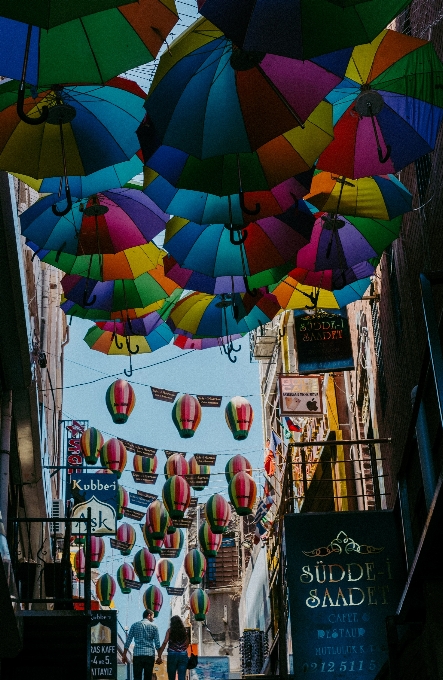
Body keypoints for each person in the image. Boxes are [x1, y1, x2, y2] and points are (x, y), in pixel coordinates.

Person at [122, 609, 161, 680]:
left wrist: (124, 655)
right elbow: (157, 643)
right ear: (149, 615)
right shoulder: (154, 627)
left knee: (137, 677)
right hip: (149, 655)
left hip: (137, 655)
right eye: (153, 617)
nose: (153, 619)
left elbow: (128, 641)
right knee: (148, 677)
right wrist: (159, 656)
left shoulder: (134, 625)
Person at [156, 615, 189, 680]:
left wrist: (159, 655)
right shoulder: (184, 631)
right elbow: (187, 642)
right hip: (183, 654)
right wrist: (182, 649)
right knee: (182, 677)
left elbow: (165, 642)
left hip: (172, 654)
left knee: (171, 676)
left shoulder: (170, 631)